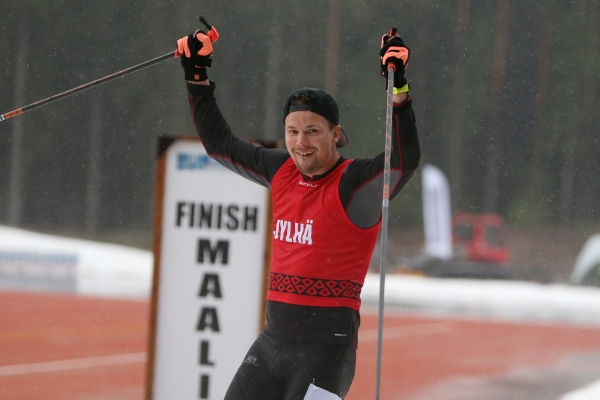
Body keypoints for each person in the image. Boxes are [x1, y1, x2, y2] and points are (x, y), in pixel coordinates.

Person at [176, 24, 420, 400]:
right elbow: (221, 145)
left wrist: (398, 88)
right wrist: (196, 75)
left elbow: (402, 162)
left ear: (336, 134)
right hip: (270, 343)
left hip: (326, 354)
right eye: (292, 131)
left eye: (312, 131)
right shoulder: (282, 170)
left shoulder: (354, 183)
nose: (301, 143)